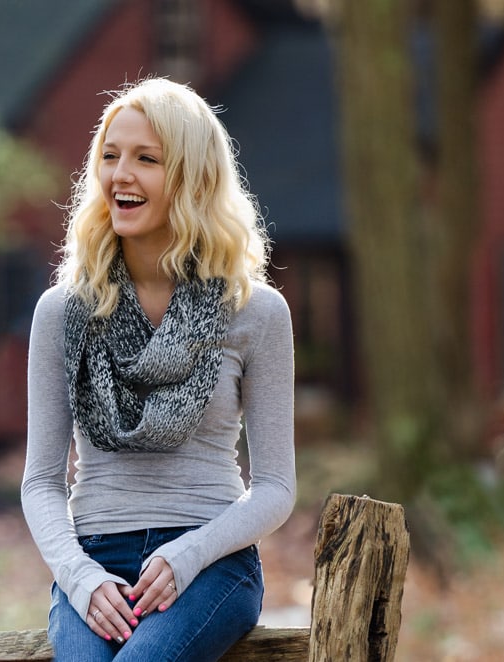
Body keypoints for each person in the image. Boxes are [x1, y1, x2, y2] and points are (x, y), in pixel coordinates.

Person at [20, 77, 296, 661]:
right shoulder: (63, 311)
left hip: (210, 566)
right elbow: (41, 481)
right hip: (94, 569)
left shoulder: (257, 312)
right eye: (111, 156)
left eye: (147, 159)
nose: (121, 174)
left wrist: (190, 552)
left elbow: (275, 488)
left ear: (193, 178)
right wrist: (79, 576)